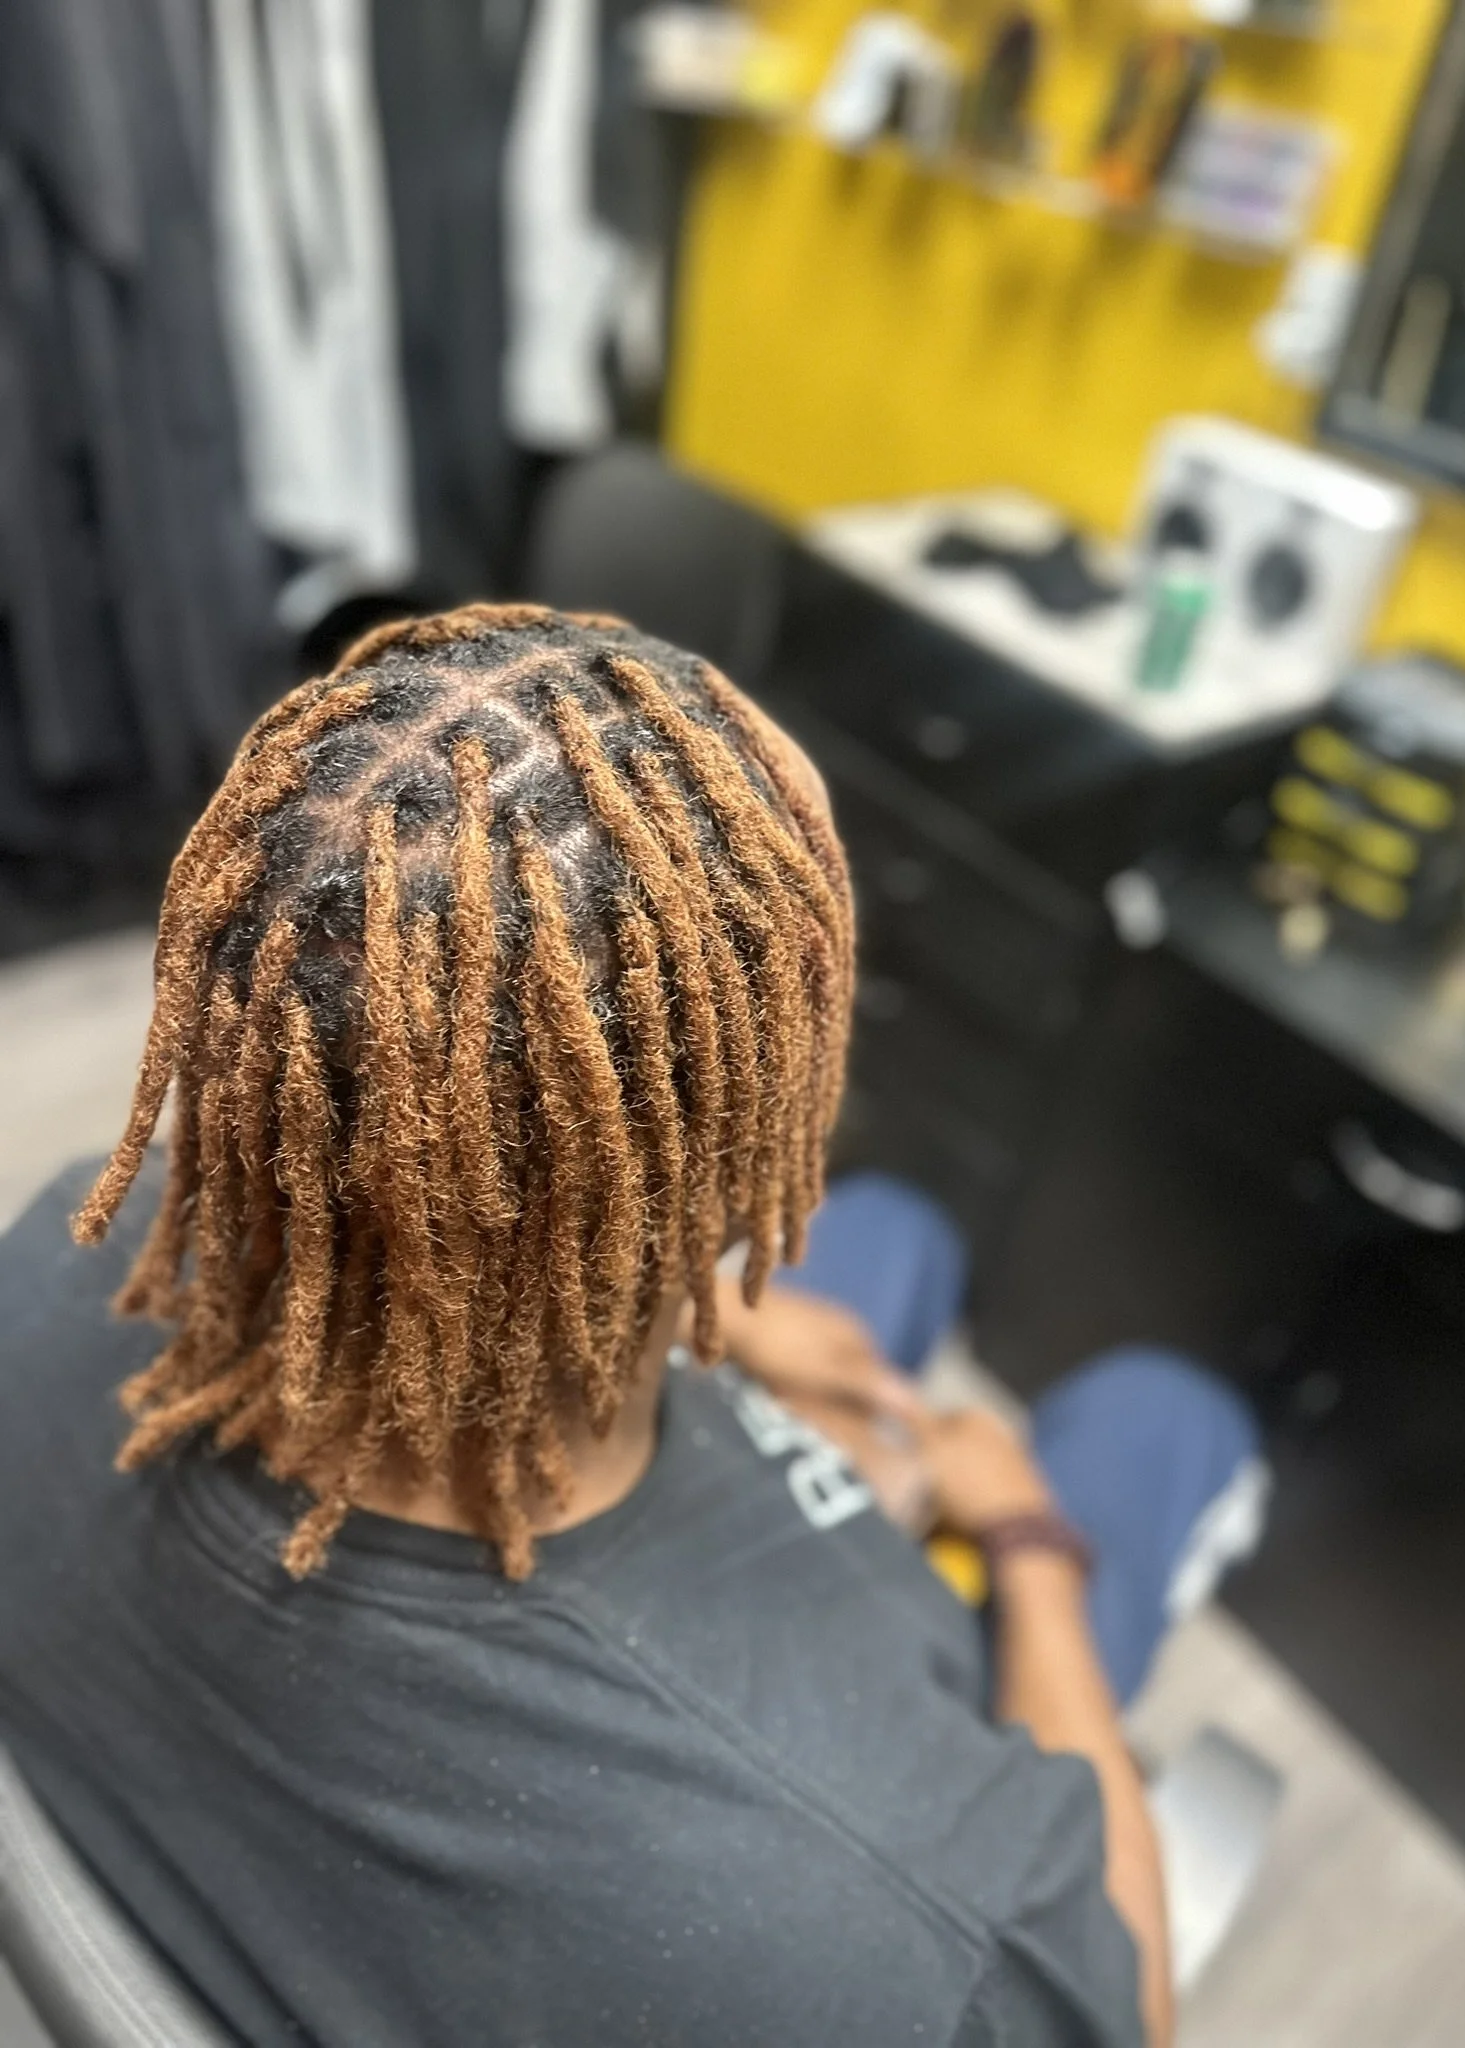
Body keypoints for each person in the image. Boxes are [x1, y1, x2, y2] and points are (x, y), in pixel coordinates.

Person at [0, 603, 1258, 2048]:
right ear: (722, 1172)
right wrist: (1028, 1546)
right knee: (1163, 1418)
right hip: (842, 1719)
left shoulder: (57, 1255)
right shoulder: (894, 1930)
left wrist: (716, 1316)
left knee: (897, 1237)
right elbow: (1130, 2008)